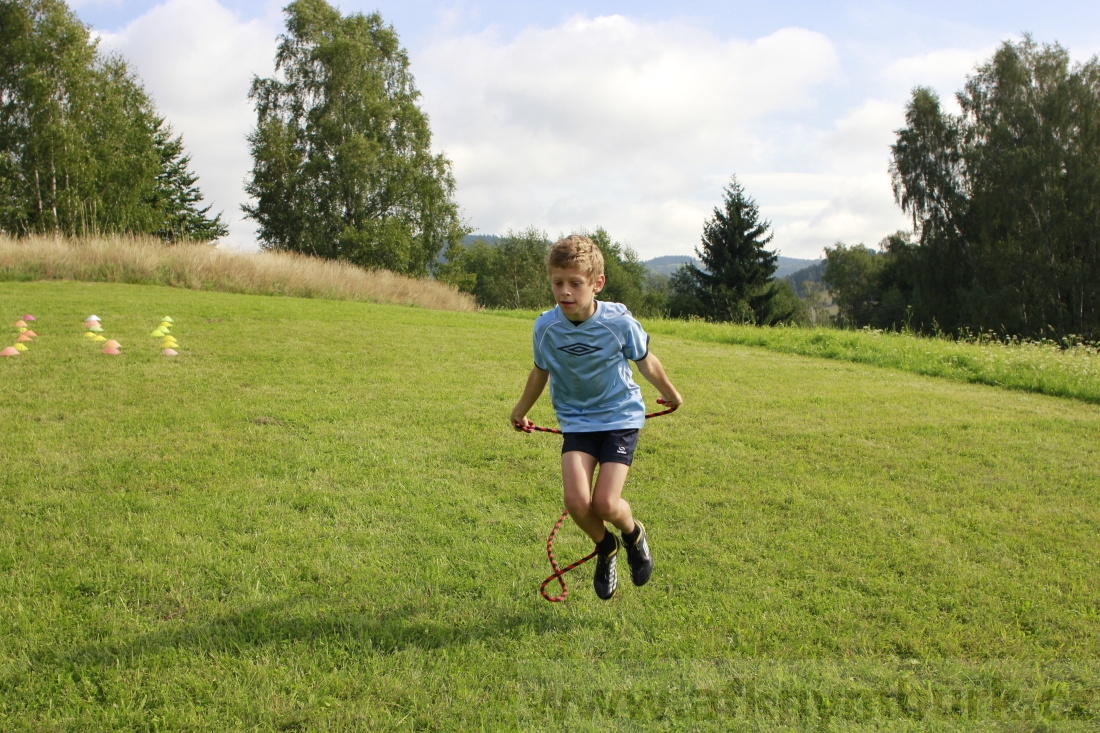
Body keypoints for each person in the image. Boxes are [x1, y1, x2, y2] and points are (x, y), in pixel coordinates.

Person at [511, 234, 684, 600]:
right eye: (558, 282)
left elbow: (646, 361)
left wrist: (671, 393)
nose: (565, 292)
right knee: (576, 501)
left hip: (619, 417)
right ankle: (606, 548)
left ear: (597, 283)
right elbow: (540, 371)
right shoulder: (545, 327)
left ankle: (634, 535)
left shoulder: (618, 323)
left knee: (605, 503)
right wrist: (520, 410)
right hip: (577, 421)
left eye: (575, 283)